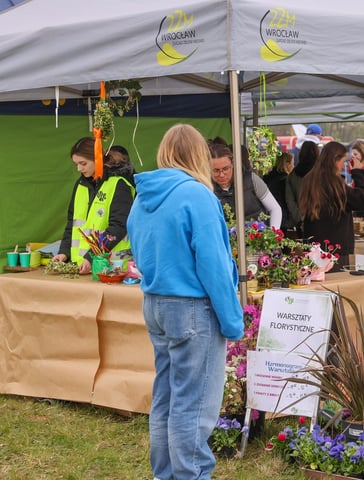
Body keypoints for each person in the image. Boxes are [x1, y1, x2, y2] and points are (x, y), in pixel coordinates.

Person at [127, 124, 244, 480]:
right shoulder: (198, 196)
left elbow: (135, 245)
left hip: (156, 302)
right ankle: (191, 475)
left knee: (166, 396)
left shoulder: (143, 195)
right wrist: (233, 321)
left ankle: (166, 474)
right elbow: (215, 266)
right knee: (193, 405)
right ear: (199, 156)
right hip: (192, 308)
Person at [53, 137, 135, 274]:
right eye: (76, 164)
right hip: (82, 268)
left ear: (97, 159)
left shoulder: (118, 184)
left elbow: (118, 227)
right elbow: (71, 225)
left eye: (83, 163)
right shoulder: (80, 185)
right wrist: (64, 252)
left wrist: (91, 257)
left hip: (113, 269)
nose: (79, 168)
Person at [299, 141, 364, 271]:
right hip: (335, 248)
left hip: (314, 245)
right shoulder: (333, 183)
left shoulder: (309, 179)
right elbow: (361, 201)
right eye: (343, 161)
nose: (343, 166)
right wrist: (358, 173)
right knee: (335, 286)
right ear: (334, 160)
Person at [208, 139, 283, 229]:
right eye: (216, 170)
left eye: (225, 169)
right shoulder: (206, 188)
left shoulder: (251, 179)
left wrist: (273, 234)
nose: (221, 174)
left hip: (258, 239)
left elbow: (275, 209)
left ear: (233, 164)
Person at [285, 140, 318, 233]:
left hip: (301, 220)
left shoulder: (292, 175)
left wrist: (299, 218)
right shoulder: (322, 174)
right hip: (320, 219)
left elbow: (289, 200)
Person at [262, 151, 295, 231]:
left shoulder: (267, 177)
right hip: (282, 219)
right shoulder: (285, 180)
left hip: (267, 216)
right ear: (287, 164)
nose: (293, 166)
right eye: (292, 164)